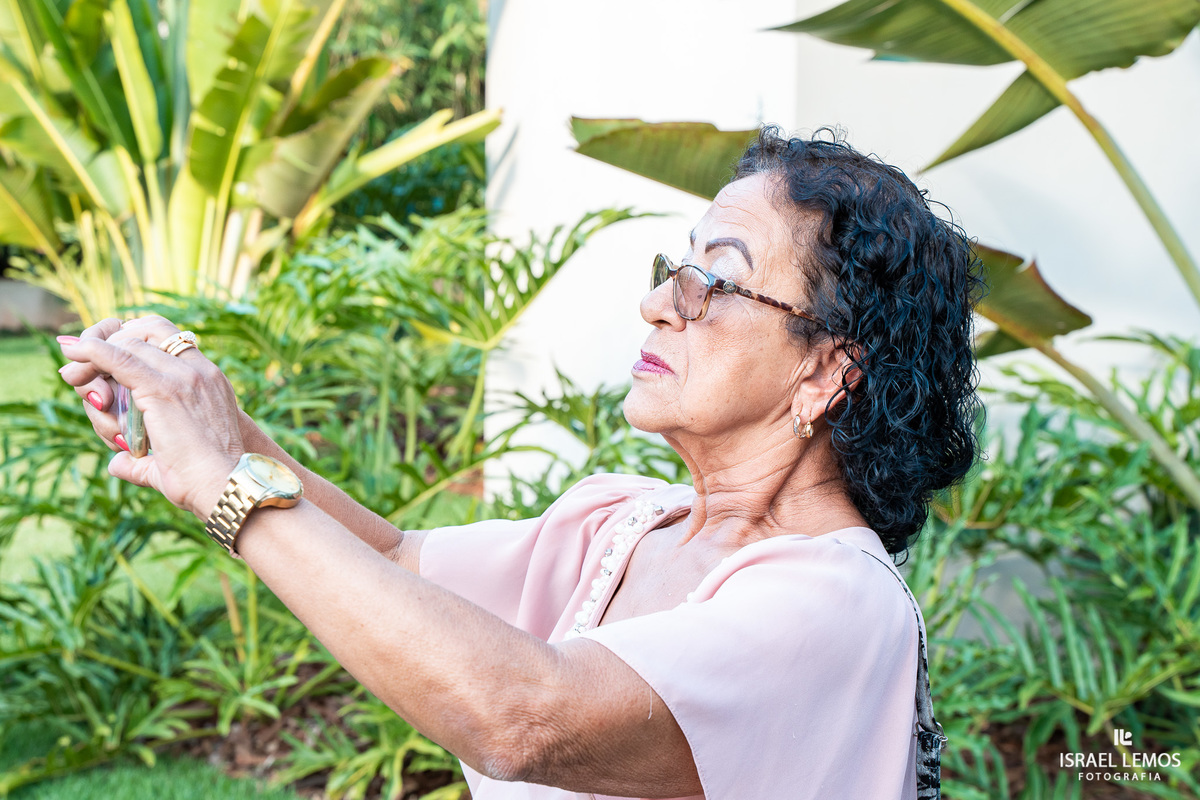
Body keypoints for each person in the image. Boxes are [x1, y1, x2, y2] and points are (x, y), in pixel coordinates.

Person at [57, 126, 982, 799]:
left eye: (715, 280)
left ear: (827, 367)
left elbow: (522, 721)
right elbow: (391, 561)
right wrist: (214, 422)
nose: (662, 302)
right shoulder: (623, 522)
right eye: (675, 267)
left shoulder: (832, 604)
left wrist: (230, 488)